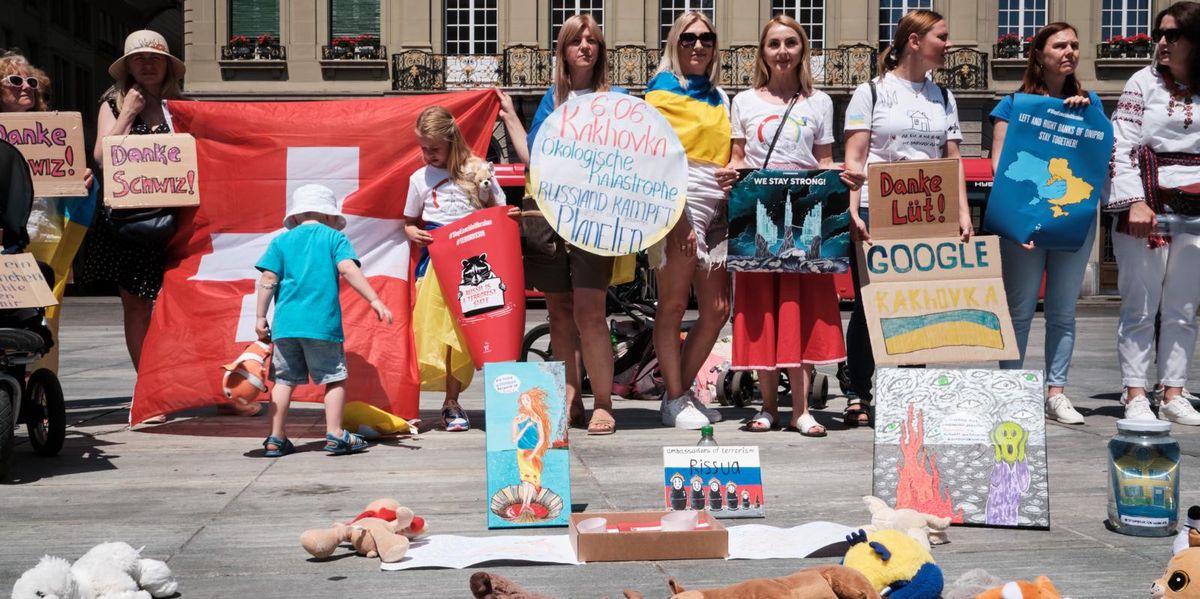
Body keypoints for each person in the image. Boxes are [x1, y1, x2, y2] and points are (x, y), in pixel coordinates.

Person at [727, 16, 862, 437]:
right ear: (763, 53)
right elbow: (738, 159)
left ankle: (801, 410)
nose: (782, 51)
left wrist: (841, 179)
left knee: (798, 310)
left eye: (790, 43)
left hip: (805, 217)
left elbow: (823, 161)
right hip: (757, 216)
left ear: (802, 49)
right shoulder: (743, 101)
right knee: (763, 310)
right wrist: (728, 174)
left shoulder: (819, 102)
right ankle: (768, 407)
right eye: (774, 44)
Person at [842, 9, 972, 426]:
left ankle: (910, 394)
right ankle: (858, 393)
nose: (948, 44)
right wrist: (852, 209)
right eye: (942, 36)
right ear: (915, 41)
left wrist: (962, 212)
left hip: (927, 212)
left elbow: (953, 159)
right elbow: (856, 158)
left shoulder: (944, 97)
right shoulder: (871, 92)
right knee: (869, 305)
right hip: (876, 208)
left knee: (919, 308)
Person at [507, 14, 625, 436]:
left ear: (600, 50)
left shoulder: (617, 98)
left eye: (591, 41)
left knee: (591, 312)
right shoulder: (551, 98)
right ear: (564, 50)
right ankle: (569, 397)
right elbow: (534, 157)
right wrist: (509, 116)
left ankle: (604, 403)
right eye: (576, 41)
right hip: (550, 213)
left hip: (595, 215)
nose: (585, 47)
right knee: (558, 312)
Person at [989, 23, 1098, 425]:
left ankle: (1056, 393)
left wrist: (1086, 118)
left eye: (1075, 45)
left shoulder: (1090, 104)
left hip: (1073, 218)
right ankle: (1009, 392)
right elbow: (1000, 168)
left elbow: (1098, 157)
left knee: (1063, 311)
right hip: (1026, 221)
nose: (1070, 51)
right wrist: (1016, 223)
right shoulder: (1012, 105)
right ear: (1039, 54)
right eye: (1060, 45)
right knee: (1019, 310)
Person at [1107, 1, 1200, 425]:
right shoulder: (1141, 82)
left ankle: (1174, 392)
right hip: (1147, 205)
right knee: (1140, 306)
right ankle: (1136, 393)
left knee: (1184, 307)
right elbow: (1121, 144)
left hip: (1195, 209)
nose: (1162, 41)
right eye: (1159, 33)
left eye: (1172, 34)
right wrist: (1135, 201)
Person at [646, 11, 738, 429]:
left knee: (718, 308)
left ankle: (677, 393)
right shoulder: (658, 94)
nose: (698, 45)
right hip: (675, 204)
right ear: (674, 43)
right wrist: (678, 216)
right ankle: (676, 396)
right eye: (688, 38)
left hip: (718, 206)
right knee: (673, 303)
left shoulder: (721, 98)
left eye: (706, 38)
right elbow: (653, 160)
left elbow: (731, 153)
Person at [254, 184, 394, 457]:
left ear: (296, 216)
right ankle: (335, 433)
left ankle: (275, 438)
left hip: (286, 327)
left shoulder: (281, 241)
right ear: (330, 216)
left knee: (283, 380)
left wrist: (260, 316)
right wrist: (374, 299)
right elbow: (348, 269)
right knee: (334, 378)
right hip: (322, 325)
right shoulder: (334, 238)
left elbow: (268, 278)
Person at [81, 30, 185, 378]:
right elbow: (101, 157)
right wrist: (128, 113)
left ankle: (180, 379)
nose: (148, 64)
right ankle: (148, 386)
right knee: (137, 307)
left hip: (180, 222)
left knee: (181, 304)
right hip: (131, 223)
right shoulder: (113, 104)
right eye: (139, 58)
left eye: (155, 58)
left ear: (168, 65)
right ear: (128, 66)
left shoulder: (183, 106)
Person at [405, 105, 510, 432]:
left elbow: (499, 210)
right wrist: (413, 232)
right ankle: (426, 404)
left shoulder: (478, 169)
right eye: (423, 148)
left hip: (474, 267)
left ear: (452, 141)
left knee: (468, 336)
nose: (427, 155)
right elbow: (409, 221)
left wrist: (499, 208)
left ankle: (465, 401)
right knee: (434, 334)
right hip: (435, 266)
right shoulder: (419, 178)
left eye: (434, 148)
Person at [512, 388, 550, 516]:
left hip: (534, 453)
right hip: (522, 452)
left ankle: (526, 505)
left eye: (527, 399)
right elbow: (514, 439)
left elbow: (542, 439)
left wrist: (533, 454)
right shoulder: (517, 419)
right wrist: (525, 428)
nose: (525, 401)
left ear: (532, 401)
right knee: (525, 479)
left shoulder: (537, 419)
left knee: (533, 479)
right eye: (523, 399)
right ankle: (525, 505)